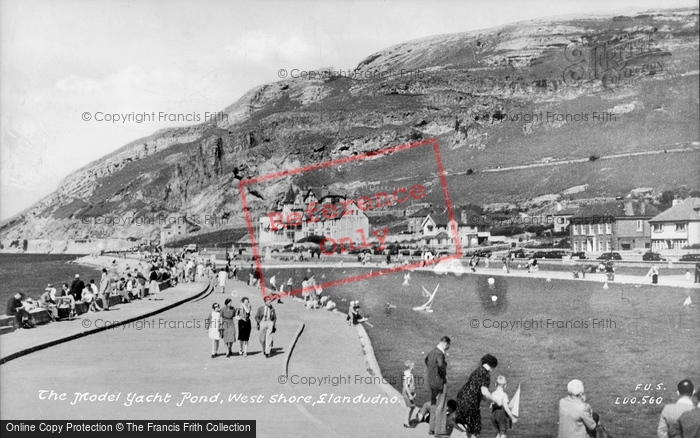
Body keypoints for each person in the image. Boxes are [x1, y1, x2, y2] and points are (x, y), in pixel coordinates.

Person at [456, 354, 498, 437]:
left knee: (465, 425)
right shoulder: (485, 374)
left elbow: (477, 390)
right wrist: (495, 400)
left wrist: (488, 402)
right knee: (475, 429)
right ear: (492, 366)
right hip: (471, 403)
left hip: (461, 399)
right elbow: (484, 391)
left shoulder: (477, 371)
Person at [425, 336, 450, 436]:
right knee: (441, 405)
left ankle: (432, 428)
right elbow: (440, 365)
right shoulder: (440, 353)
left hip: (431, 381)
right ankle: (439, 431)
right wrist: (443, 374)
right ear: (446, 344)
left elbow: (426, 360)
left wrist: (432, 372)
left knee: (433, 404)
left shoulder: (431, 351)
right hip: (439, 382)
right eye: (448, 346)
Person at [403, 360, 417, 428]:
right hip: (407, 393)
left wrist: (413, 393)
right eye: (413, 366)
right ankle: (406, 422)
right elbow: (406, 385)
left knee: (412, 407)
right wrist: (410, 395)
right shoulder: (408, 375)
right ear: (411, 367)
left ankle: (408, 420)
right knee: (409, 407)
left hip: (410, 393)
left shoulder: (408, 374)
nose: (414, 367)